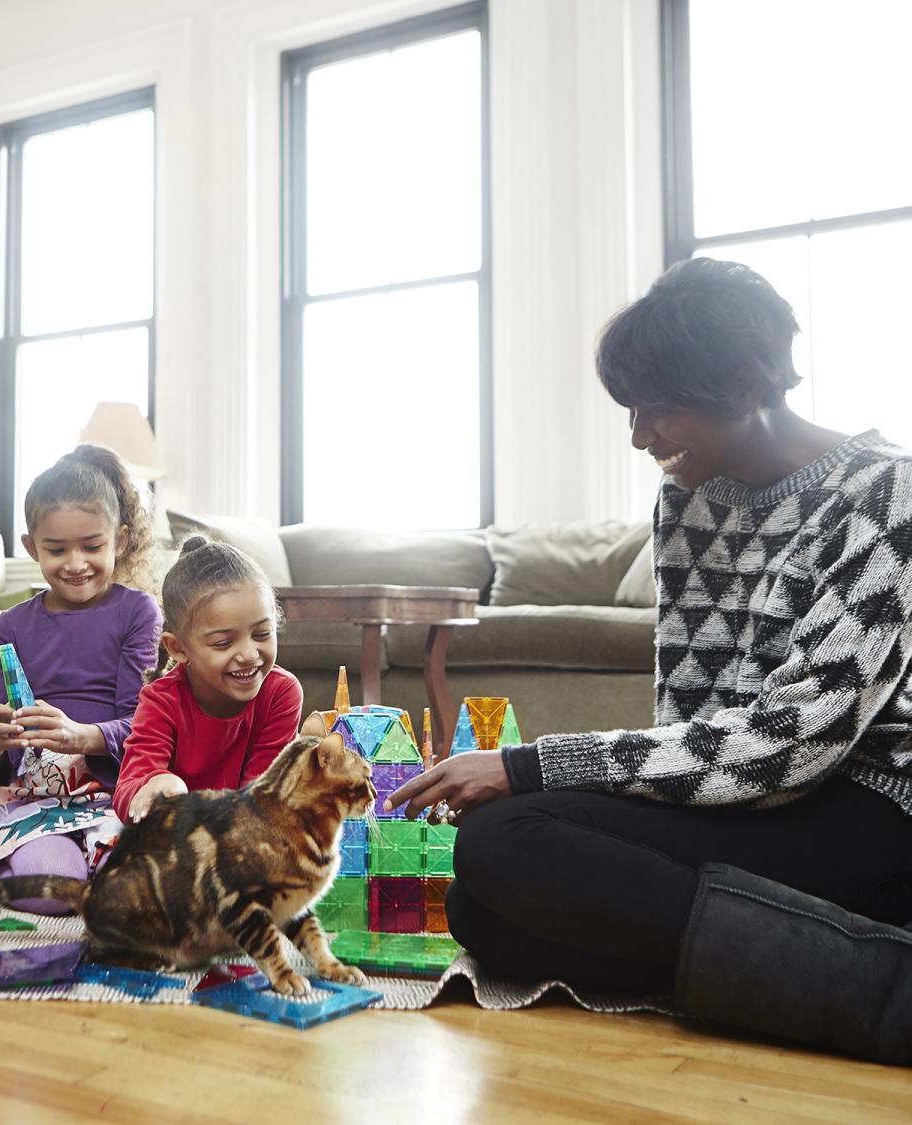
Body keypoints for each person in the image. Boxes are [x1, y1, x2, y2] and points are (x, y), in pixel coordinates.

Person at [384, 258, 912, 1065]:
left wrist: (531, 766)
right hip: (746, 803)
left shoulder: (887, 498)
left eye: (658, 408)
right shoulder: (687, 498)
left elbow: (795, 743)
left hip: (864, 809)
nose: (640, 436)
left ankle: (883, 989)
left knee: (507, 842)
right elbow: (688, 723)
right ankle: (803, 961)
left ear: (742, 387)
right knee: (479, 906)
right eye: (632, 409)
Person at [0, 444, 161, 913]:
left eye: (92, 546)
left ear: (121, 540)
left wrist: (83, 736)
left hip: (118, 793)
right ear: (32, 548)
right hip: (35, 797)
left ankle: (73, 862)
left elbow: (145, 725)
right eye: (56, 549)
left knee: (141, 892)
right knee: (52, 893)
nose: (75, 563)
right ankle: (10, 858)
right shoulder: (9, 627)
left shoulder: (138, 612)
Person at [114, 537, 304, 823]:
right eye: (224, 643)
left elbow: (262, 798)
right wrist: (154, 786)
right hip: (177, 838)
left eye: (262, 634)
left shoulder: (281, 693)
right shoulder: (161, 701)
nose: (249, 654)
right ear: (178, 648)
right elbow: (128, 789)